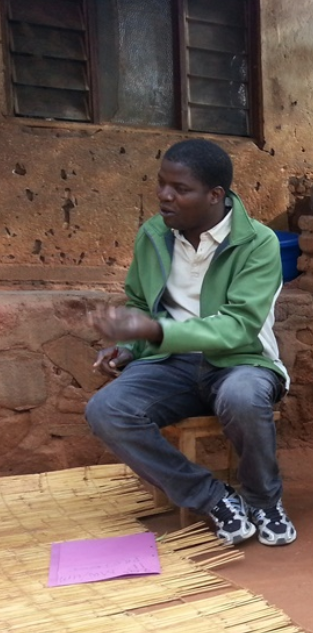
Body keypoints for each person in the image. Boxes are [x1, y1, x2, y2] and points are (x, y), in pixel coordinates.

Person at [85, 138, 295, 547]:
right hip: (170, 363)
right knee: (106, 410)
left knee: (242, 396)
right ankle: (214, 498)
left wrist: (152, 332)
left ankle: (264, 501)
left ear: (215, 195)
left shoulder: (258, 243)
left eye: (180, 189)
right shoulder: (152, 235)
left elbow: (239, 327)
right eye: (162, 184)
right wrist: (131, 348)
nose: (165, 196)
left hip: (240, 361)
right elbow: (142, 304)